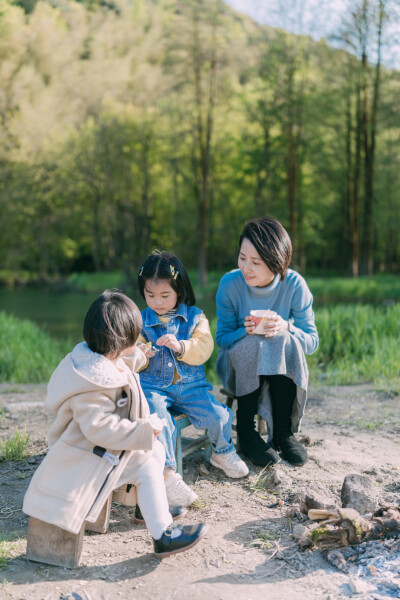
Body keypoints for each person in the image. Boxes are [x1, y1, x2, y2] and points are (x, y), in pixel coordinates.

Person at [23, 289, 206, 559]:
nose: (138, 339)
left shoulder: (100, 358)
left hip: (98, 453)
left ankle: (149, 507)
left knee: (154, 451)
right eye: (136, 336)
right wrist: (143, 431)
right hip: (85, 460)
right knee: (146, 461)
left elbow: (124, 362)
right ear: (121, 342)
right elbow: (100, 429)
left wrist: (142, 355)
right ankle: (162, 535)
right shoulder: (91, 385)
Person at [137, 251, 249, 507]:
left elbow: (204, 348)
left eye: (165, 295)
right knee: (157, 419)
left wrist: (182, 346)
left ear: (180, 289)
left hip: (191, 388)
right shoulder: (139, 321)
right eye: (150, 295)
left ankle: (221, 453)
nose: (157, 302)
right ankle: (168, 474)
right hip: (154, 388)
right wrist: (142, 354)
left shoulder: (196, 317)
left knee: (219, 416)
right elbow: (132, 352)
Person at [216, 217, 319, 467]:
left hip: (280, 367)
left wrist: (287, 326)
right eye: (242, 257)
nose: (246, 268)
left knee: (283, 337)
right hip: (236, 369)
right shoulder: (230, 284)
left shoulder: (294, 285)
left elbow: (311, 342)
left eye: (255, 262)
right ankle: (247, 431)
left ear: (276, 263)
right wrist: (245, 331)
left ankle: (283, 433)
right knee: (255, 342)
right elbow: (222, 340)